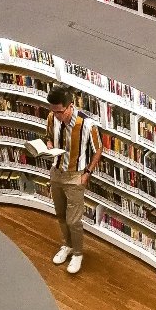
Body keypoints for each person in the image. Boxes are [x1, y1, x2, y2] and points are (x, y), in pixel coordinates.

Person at [45, 83, 103, 274]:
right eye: (54, 111)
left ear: (70, 106)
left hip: (75, 176)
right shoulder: (52, 117)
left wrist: (87, 173)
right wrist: (48, 146)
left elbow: (99, 149)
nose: (57, 116)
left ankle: (78, 253)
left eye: (60, 112)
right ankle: (67, 245)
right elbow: (49, 137)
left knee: (74, 220)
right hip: (56, 172)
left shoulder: (87, 125)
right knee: (60, 215)